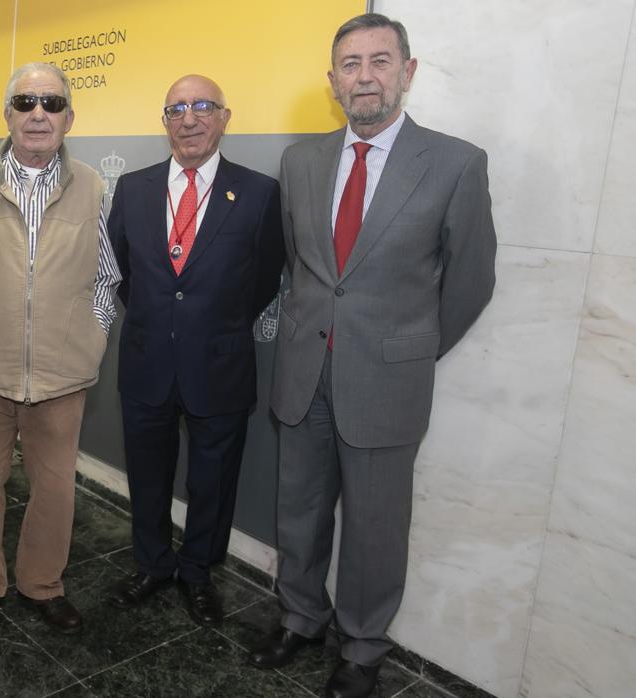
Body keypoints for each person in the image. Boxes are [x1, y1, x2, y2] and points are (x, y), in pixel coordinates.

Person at [249, 13, 497, 698]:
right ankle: (299, 617)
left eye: (380, 61)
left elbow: (470, 279)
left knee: (374, 526)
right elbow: (297, 267)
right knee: (296, 510)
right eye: (350, 64)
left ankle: (360, 647)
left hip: (385, 383)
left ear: (407, 73)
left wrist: (407, 349)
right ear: (332, 82)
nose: (364, 76)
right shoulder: (300, 161)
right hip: (303, 375)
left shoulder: (453, 163)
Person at [0, 62, 120, 637]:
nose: (39, 113)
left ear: (69, 118)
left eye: (52, 103)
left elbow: (107, 278)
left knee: (55, 490)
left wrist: (92, 335)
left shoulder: (92, 185)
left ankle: (43, 585)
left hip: (63, 377)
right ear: (7, 114)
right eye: (26, 102)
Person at [105, 75, 283, 626]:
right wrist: (165, 320)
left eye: (202, 106)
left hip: (220, 364)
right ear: (164, 123)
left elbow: (265, 278)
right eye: (176, 109)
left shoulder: (258, 192)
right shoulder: (133, 188)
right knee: (149, 475)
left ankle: (199, 573)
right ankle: (153, 564)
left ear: (224, 117)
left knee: (213, 481)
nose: (189, 119)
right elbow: (120, 271)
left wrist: (212, 324)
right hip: (147, 360)